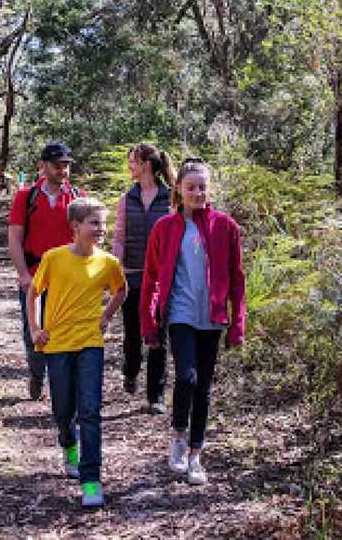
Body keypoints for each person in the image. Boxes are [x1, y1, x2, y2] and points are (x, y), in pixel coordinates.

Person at [139, 157, 246, 485]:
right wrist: (148, 322)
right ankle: (177, 439)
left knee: (203, 388)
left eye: (202, 187)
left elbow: (237, 278)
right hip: (181, 315)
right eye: (191, 187)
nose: (197, 193)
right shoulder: (165, 228)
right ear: (179, 190)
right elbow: (151, 277)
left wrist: (237, 322)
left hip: (211, 317)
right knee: (186, 377)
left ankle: (196, 456)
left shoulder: (225, 226)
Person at [27, 197, 127, 507]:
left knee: (90, 410)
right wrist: (34, 329)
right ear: (75, 227)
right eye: (94, 223)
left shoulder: (108, 262)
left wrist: (107, 315)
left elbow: (121, 289)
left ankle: (91, 479)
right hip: (56, 344)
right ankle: (68, 443)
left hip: (90, 344)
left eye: (103, 223)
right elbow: (33, 292)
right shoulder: (54, 258)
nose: (101, 229)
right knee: (63, 410)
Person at [8, 142, 85, 400]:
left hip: (68, 279)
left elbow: (86, 239)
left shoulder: (77, 198)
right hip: (35, 275)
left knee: (64, 332)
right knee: (34, 331)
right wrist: (23, 275)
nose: (62, 170)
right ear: (43, 166)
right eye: (57, 165)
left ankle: (62, 387)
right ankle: (37, 374)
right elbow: (15, 237)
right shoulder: (25, 197)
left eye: (66, 165)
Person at [112, 143, 175, 413]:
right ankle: (130, 369)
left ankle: (156, 396)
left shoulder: (171, 198)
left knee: (158, 335)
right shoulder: (127, 199)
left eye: (134, 162)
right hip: (133, 276)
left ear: (147, 165)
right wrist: (115, 269)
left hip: (162, 279)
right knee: (133, 333)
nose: (130, 168)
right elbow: (119, 238)